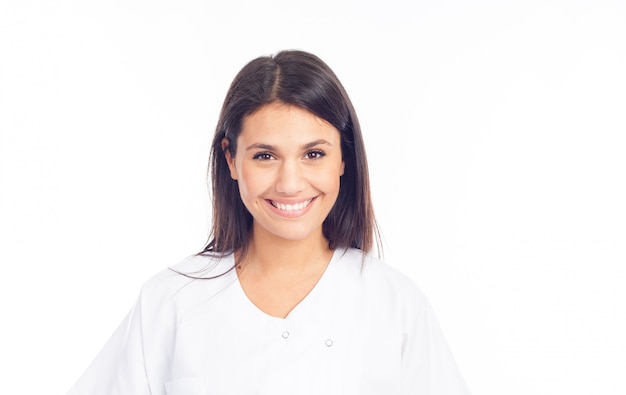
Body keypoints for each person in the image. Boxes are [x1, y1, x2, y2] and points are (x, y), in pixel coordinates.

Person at [68, 50, 470, 395]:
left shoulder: (395, 305)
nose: (290, 183)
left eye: (314, 154)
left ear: (343, 159)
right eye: (265, 156)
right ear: (231, 159)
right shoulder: (170, 301)